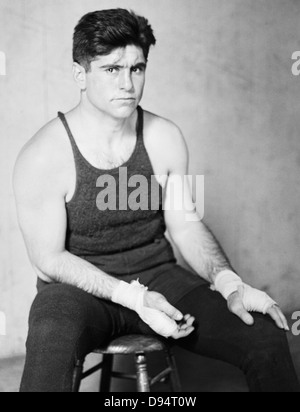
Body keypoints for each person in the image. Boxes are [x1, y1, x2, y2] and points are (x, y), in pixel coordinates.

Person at [13, 8, 300, 393]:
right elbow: (48, 260)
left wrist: (230, 282)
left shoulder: (164, 137)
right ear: (80, 74)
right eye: (112, 69)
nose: (128, 83)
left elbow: (184, 225)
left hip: (158, 275)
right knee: (51, 331)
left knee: (263, 336)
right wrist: (132, 297)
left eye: (137, 68)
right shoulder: (44, 155)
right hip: (80, 290)